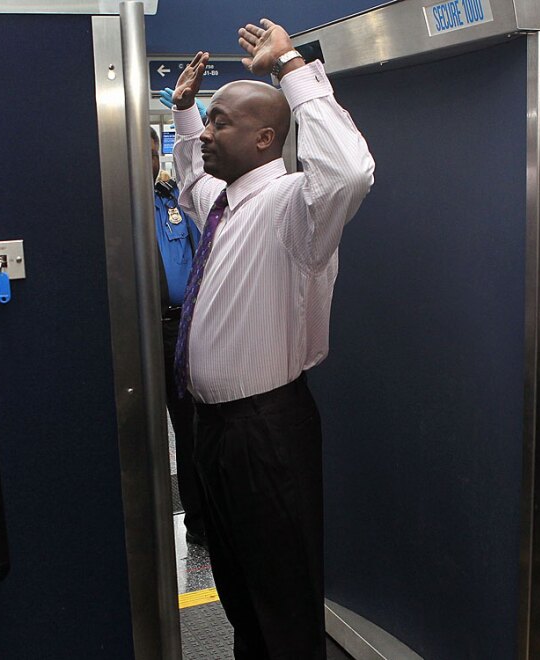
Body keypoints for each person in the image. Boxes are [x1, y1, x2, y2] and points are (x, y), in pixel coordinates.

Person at [169, 18, 374, 659]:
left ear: (265, 139)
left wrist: (290, 68)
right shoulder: (227, 204)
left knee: (282, 598)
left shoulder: (293, 208)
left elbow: (347, 172)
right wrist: (181, 113)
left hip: (266, 433)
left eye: (218, 122)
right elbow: (191, 182)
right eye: (207, 121)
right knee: (238, 588)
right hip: (216, 431)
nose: (207, 132)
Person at [150, 127, 206, 546]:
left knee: (189, 430)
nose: (147, 159)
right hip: (132, 333)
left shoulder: (171, 201)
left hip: (175, 328)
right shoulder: (106, 205)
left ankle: (200, 524)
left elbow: (200, 254)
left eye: (152, 151)